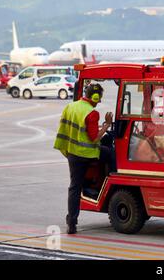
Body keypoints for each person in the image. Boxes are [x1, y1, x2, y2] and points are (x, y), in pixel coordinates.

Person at [53, 83, 115, 234]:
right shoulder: (92, 113)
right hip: (87, 153)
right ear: (95, 97)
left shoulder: (70, 107)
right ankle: (113, 182)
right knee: (110, 154)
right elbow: (94, 138)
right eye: (98, 98)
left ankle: (72, 223)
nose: (98, 101)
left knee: (75, 187)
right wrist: (106, 125)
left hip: (72, 152)